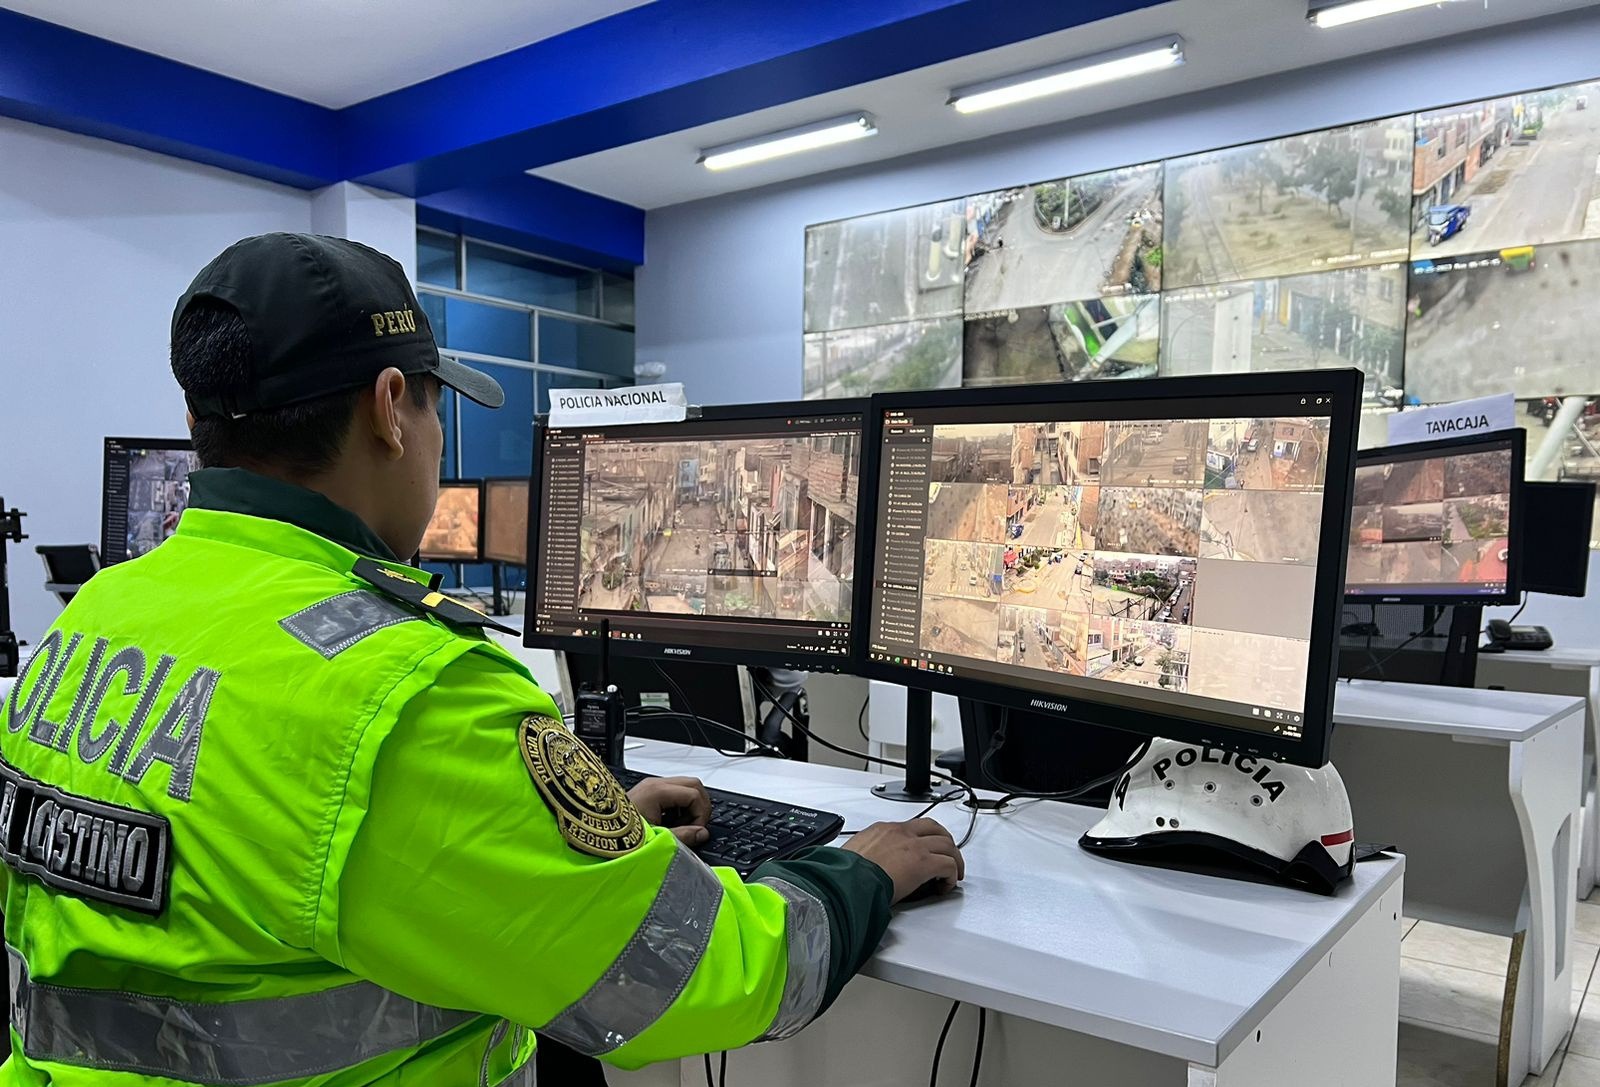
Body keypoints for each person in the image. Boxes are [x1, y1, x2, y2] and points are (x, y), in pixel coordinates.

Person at [0, 234, 964, 1084]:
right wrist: (860, 872)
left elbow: (243, 878)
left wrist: (544, 843)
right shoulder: (409, 693)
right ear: (389, 408)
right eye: (432, 410)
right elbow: (696, 975)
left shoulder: (96, 617)